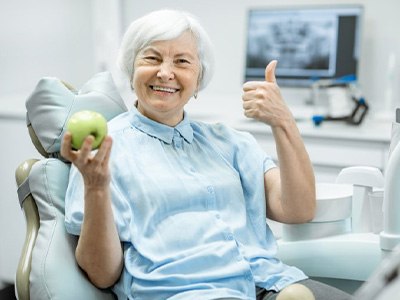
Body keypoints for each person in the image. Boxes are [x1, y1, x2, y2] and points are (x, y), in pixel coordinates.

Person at [61, 9, 352, 300]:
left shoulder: (230, 143)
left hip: (270, 282)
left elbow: (298, 209)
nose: (165, 72)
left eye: (182, 61)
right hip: (188, 293)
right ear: (131, 69)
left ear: (198, 80)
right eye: (151, 58)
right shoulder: (102, 154)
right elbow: (102, 274)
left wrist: (283, 121)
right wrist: (96, 187)